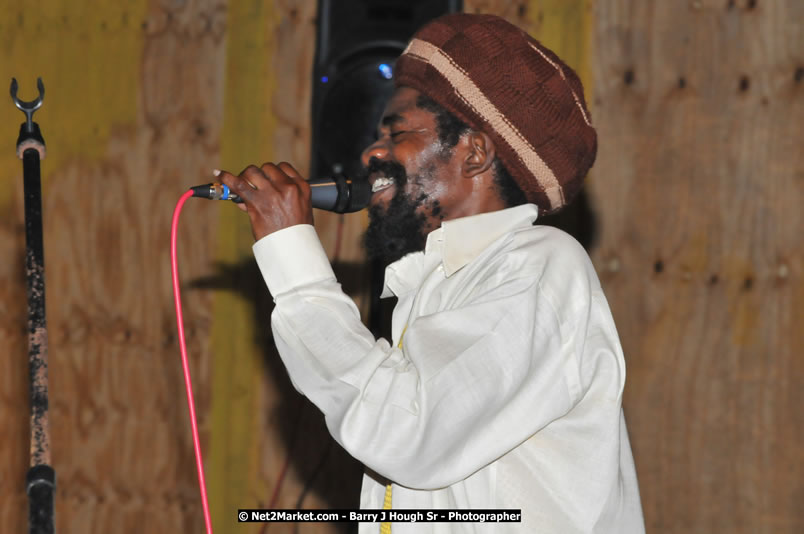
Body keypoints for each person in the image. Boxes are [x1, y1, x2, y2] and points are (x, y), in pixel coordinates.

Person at [217, 13, 645, 534]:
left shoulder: (538, 268)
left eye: (397, 132)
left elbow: (405, 430)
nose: (372, 152)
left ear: (475, 153)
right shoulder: (437, 284)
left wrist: (297, 268)